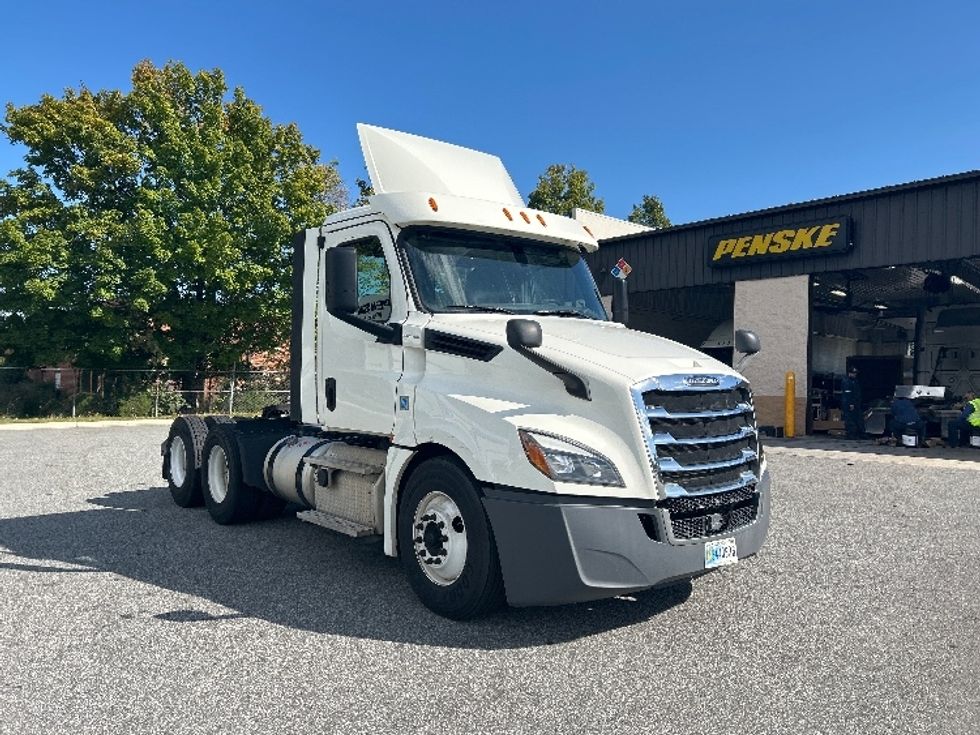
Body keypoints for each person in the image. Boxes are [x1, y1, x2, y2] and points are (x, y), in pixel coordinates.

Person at [841, 366, 864, 439]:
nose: (855, 374)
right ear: (849, 373)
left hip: (856, 403)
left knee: (858, 419)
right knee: (849, 419)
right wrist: (851, 404)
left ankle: (859, 433)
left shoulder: (855, 381)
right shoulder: (846, 381)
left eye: (855, 373)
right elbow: (848, 394)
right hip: (849, 404)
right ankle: (851, 434)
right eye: (853, 373)